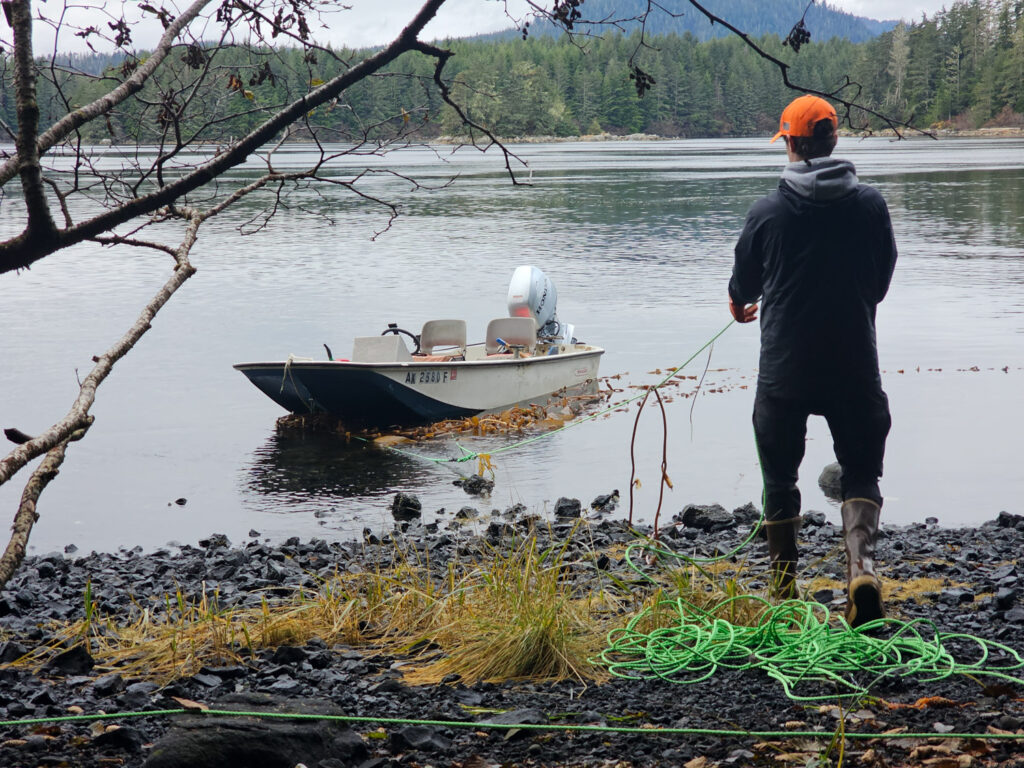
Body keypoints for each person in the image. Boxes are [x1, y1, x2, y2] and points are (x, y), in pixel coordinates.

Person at [728, 94, 897, 628]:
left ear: (793, 145)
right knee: (862, 470)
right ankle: (860, 572)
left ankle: (782, 591)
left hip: (785, 371)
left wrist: (739, 304)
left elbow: (743, 285)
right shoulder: (870, 205)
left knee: (781, 474)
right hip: (854, 364)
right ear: (834, 140)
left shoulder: (768, 211)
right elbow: (881, 280)